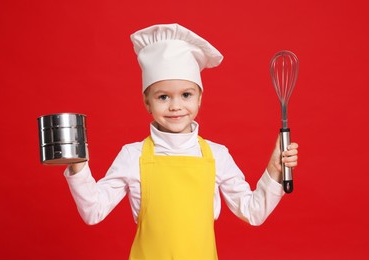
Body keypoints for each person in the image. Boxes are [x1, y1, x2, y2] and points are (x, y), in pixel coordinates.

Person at [64, 23, 299, 260]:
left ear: (199, 98)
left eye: (186, 95)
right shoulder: (132, 155)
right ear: (147, 102)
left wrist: (275, 169)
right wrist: (77, 165)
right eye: (163, 96)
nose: (175, 106)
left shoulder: (217, 155)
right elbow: (93, 211)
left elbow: (253, 212)